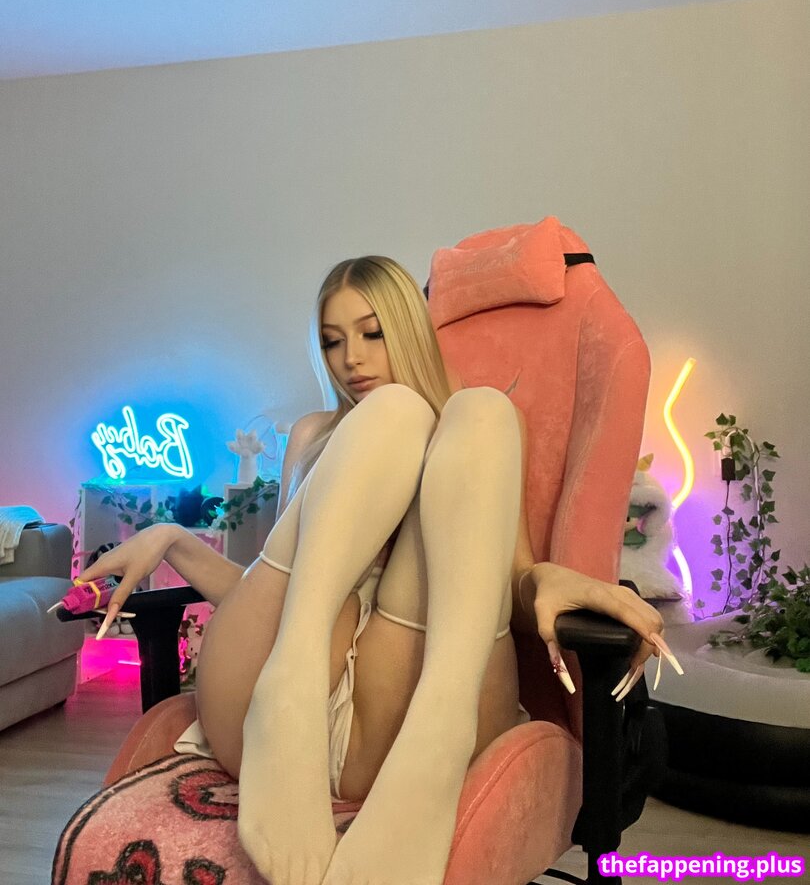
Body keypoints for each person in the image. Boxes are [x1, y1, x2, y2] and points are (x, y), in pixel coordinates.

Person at [84, 255, 677, 885]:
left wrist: (550, 579)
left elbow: (506, 581)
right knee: (393, 416)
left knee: (477, 412)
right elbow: (267, 592)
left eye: (372, 334)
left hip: (398, 709)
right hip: (270, 694)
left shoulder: (481, 437)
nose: (352, 360)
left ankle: (439, 734)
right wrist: (172, 538)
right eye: (332, 342)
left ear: (409, 329)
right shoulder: (311, 436)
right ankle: (290, 693)